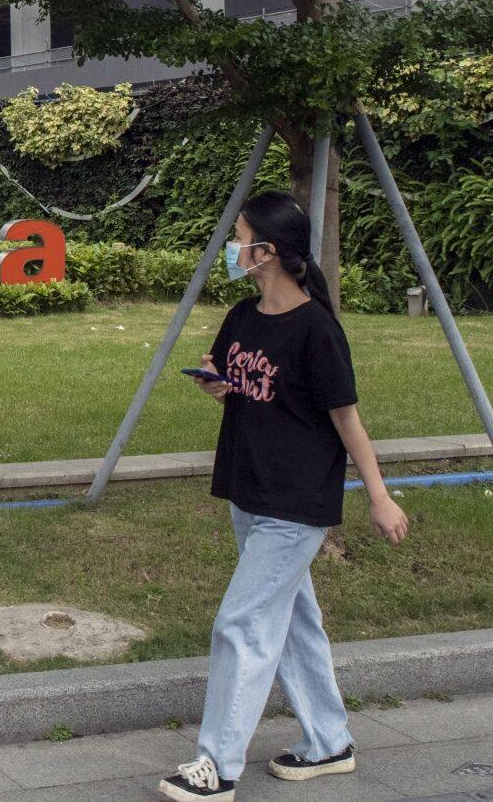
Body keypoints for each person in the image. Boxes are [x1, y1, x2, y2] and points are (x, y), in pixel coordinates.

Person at [158, 190, 409, 802]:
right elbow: (228, 373)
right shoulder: (244, 315)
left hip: (296, 504)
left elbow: (347, 419)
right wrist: (217, 385)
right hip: (250, 488)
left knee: (241, 623)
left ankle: (216, 768)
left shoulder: (317, 330)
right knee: (294, 621)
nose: (231, 247)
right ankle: (329, 742)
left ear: (266, 251)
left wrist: (380, 497)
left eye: (239, 235)